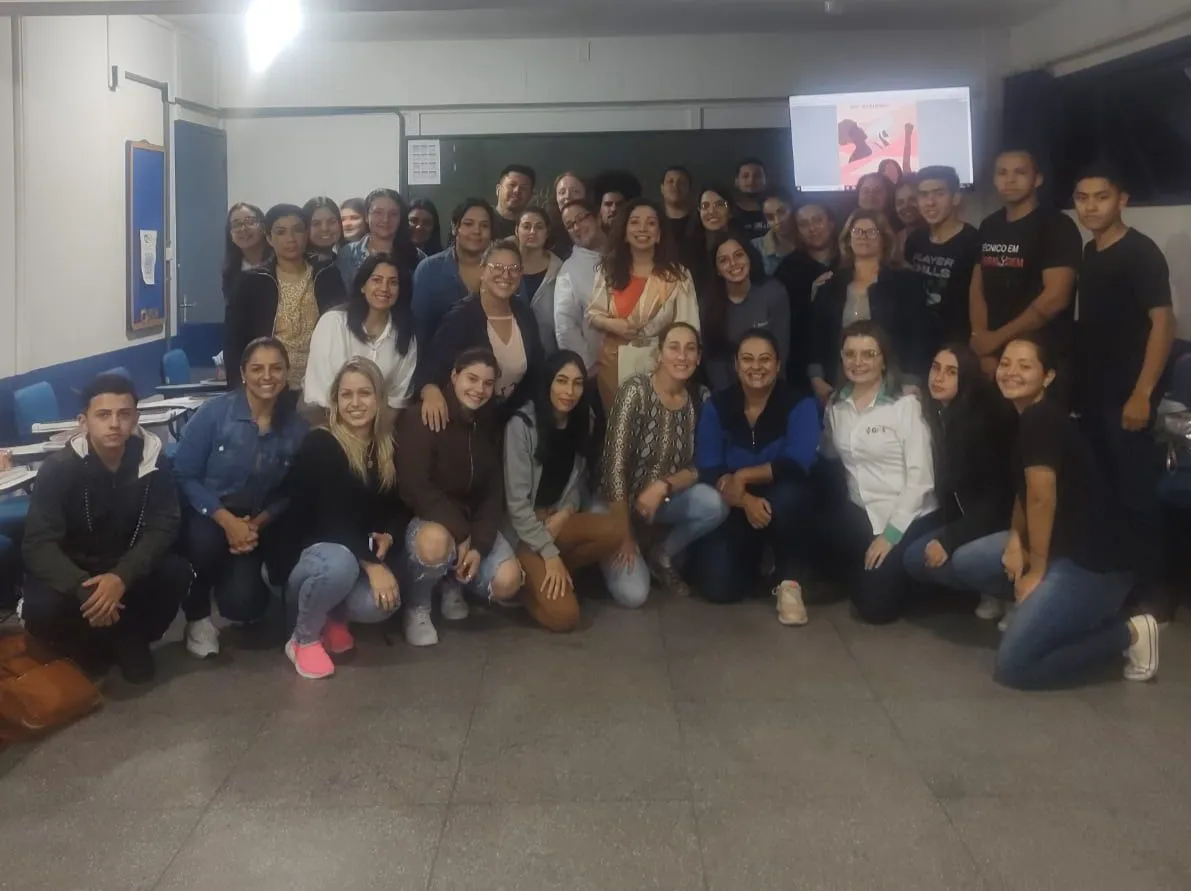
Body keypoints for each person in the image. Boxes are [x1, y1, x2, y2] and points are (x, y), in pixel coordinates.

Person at [952, 335, 1158, 688]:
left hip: (1094, 562)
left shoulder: (1042, 420)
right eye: (1005, 364)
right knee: (966, 561)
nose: (1011, 372)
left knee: (1014, 667)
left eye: (1025, 366)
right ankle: (1050, 611)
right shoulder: (1026, 416)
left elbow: (1042, 499)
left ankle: (1131, 633)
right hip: (1063, 544)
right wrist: (1018, 540)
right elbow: (1025, 492)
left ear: (1047, 377)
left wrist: (1037, 570)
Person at [20, 374, 188, 683]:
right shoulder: (59, 469)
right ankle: (82, 643)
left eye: (123, 414)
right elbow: (38, 544)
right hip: (75, 571)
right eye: (103, 415)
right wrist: (84, 588)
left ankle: (129, 636)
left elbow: (164, 525)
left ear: (136, 418)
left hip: (126, 568)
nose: (114, 424)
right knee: (40, 605)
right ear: (83, 421)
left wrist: (121, 577)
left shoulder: (153, 460)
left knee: (175, 572)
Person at [1072, 165, 1176, 621]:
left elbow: (1163, 323)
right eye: (1082, 198)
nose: (1090, 206)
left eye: (1101, 197)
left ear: (1122, 200)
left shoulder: (1141, 252)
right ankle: (1118, 583)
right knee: (1106, 493)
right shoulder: (1089, 252)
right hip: (1093, 395)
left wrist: (1143, 393)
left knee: (1138, 495)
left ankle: (1157, 594)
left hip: (1129, 396)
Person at [275, 358, 409, 678]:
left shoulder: (386, 448)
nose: (355, 403)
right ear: (335, 401)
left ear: (378, 399)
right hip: (305, 558)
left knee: (380, 604)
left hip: (350, 553)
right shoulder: (321, 444)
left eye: (364, 393)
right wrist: (373, 566)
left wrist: (390, 534)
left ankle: (334, 616)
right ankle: (303, 639)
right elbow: (329, 520)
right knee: (341, 563)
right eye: (346, 395)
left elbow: (400, 505)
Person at [174, 338, 308, 658]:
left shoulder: (296, 429)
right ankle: (197, 616)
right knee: (204, 545)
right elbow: (183, 474)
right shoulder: (214, 415)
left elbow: (291, 490)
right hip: (208, 511)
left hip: (255, 521)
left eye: (276, 368)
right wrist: (225, 520)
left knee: (243, 605)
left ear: (287, 373)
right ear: (243, 373)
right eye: (257, 368)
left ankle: (237, 584)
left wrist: (255, 525)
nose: (267, 376)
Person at [397, 349, 522, 645]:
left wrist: (478, 546)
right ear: (454, 377)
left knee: (508, 580)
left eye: (488, 383)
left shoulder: (489, 423)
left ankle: (452, 583)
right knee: (435, 544)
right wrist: (462, 534)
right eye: (472, 378)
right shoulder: (422, 416)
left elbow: (493, 493)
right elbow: (415, 487)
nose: (479, 389)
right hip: (429, 519)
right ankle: (418, 606)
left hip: (471, 521)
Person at [693, 329, 819, 618]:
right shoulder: (717, 406)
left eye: (765, 359)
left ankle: (790, 579)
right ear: (736, 365)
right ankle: (759, 560)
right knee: (719, 589)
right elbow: (710, 467)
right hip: (735, 504)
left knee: (789, 496)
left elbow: (797, 461)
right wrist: (745, 499)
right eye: (747, 359)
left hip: (785, 500)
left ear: (777, 364)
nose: (756, 367)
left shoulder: (800, 404)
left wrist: (744, 476)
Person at [821, 322, 938, 625]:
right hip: (861, 510)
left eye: (868, 354)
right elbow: (830, 455)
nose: (858, 363)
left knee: (874, 610)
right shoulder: (836, 406)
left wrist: (890, 535)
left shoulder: (905, 405)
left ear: (883, 359)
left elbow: (921, 478)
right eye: (850, 354)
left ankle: (918, 584)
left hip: (906, 515)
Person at [504, 351, 629, 632]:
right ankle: (526, 585)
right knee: (565, 617)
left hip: (557, 520)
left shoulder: (584, 419)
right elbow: (516, 507)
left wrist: (566, 512)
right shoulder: (521, 426)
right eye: (561, 381)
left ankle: (555, 576)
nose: (569, 391)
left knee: (615, 529)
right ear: (548, 381)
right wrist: (549, 553)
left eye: (577, 383)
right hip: (525, 530)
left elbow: (577, 484)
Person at [603, 322, 727, 599]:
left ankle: (662, 553)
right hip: (619, 503)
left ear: (698, 357)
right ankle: (628, 541)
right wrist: (623, 535)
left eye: (690, 349)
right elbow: (613, 468)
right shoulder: (635, 392)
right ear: (659, 354)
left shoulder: (700, 398)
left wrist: (663, 486)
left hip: (663, 500)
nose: (681, 356)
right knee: (634, 595)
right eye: (674, 347)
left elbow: (705, 464)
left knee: (715, 504)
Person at [901, 344, 1015, 620]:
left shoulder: (984, 421)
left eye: (951, 372)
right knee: (914, 558)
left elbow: (997, 504)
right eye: (935, 368)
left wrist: (950, 539)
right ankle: (990, 587)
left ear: (967, 379)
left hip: (1004, 524)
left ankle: (1013, 594)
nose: (938, 378)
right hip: (965, 519)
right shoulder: (935, 412)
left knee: (962, 560)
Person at [970, 149, 1082, 377]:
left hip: (1041, 358)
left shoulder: (1057, 226)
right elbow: (977, 287)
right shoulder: (989, 225)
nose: (1009, 179)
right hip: (992, 356)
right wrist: (981, 343)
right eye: (1002, 173)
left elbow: (1056, 298)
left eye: (1019, 172)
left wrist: (996, 340)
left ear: (1037, 179)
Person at [416, 238, 544, 429]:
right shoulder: (460, 317)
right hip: (466, 423)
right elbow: (433, 367)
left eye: (514, 269)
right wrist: (430, 389)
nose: (506, 275)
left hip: (511, 421)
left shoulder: (524, 313)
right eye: (498, 267)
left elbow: (536, 369)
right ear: (482, 270)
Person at [807, 209, 930, 404]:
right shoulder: (831, 284)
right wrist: (816, 377)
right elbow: (816, 335)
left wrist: (913, 380)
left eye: (872, 232)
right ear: (848, 240)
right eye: (857, 232)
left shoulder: (906, 282)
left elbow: (920, 334)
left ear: (884, 239)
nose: (864, 237)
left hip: (894, 386)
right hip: (839, 386)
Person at [587, 198, 699, 410]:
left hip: (660, 370)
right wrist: (614, 325)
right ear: (625, 232)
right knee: (620, 437)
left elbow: (689, 329)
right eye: (635, 222)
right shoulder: (607, 270)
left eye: (651, 223)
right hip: (613, 367)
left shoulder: (678, 276)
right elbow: (593, 313)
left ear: (659, 234)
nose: (642, 228)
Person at [225, 203, 346, 390]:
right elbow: (234, 341)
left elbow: (342, 329)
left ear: (306, 234)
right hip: (269, 383)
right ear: (269, 238)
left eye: (297, 230)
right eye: (281, 232)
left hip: (322, 383)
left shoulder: (327, 273)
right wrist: (238, 390)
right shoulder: (252, 281)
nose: (290, 239)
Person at [305, 253, 418, 419]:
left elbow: (397, 400)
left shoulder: (405, 336)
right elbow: (321, 395)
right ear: (362, 286)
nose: (384, 288)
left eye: (393, 282)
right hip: (327, 422)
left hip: (379, 428)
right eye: (377, 280)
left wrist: (375, 439)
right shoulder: (332, 323)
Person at [702, 233, 791, 393]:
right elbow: (713, 358)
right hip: (728, 391)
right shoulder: (709, 303)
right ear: (717, 270)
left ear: (749, 257)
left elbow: (781, 350)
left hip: (771, 386)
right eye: (724, 260)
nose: (733, 264)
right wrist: (730, 397)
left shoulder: (773, 292)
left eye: (739, 255)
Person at [905, 166, 981, 344]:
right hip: (918, 343)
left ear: (955, 198)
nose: (930, 202)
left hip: (957, 345)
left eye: (939, 194)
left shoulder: (973, 241)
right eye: (923, 195)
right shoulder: (915, 240)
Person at [411, 198, 494, 348]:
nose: (477, 231)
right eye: (468, 224)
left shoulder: (502, 269)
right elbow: (418, 330)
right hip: (440, 364)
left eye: (484, 226)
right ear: (455, 227)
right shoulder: (429, 269)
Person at [774, 202, 839, 386]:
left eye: (817, 220)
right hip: (802, 371)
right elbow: (785, 325)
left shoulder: (849, 260)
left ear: (831, 223)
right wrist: (812, 299)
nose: (812, 228)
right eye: (803, 224)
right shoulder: (787, 269)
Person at [554, 198, 608, 372]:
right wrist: (587, 368)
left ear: (598, 218)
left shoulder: (628, 254)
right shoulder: (569, 270)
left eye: (581, 218)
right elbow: (565, 327)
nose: (576, 227)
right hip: (599, 370)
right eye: (570, 225)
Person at [337, 188, 421, 290]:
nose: (385, 219)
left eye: (393, 214)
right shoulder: (348, 254)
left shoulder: (417, 256)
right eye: (378, 212)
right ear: (366, 217)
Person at [515, 206, 563, 354]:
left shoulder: (560, 271)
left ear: (547, 232)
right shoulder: (504, 266)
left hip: (548, 355)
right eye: (526, 226)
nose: (532, 232)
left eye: (539, 227)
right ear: (517, 230)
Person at [222, 202, 267, 302]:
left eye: (250, 222)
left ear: (263, 227)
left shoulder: (281, 263)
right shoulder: (230, 272)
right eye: (236, 224)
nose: (243, 229)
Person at [752, 188, 799, 276]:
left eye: (782, 212)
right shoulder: (755, 248)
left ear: (794, 209)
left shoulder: (810, 241)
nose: (777, 221)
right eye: (770, 217)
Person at [492, 164, 536, 239]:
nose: (517, 191)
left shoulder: (533, 230)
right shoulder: (483, 219)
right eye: (512, 185)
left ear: (530, 196)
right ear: (498, 190)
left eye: (523, 188)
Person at [550, 171, 587, 259]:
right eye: (562, 192)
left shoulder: (596, 228)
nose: (567, 196)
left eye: (575, 191)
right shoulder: (548, 230)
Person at [732, 158, 769, 238]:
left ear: (766, 180)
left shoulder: (778, 210)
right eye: (745, 176)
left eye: (757, 176)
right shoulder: (729, 213)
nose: (751, 180)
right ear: (737, 182)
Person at [302, 196, 343, 263]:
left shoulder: (345, 260)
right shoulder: (300, 265)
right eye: (316, 223)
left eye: (331, 222)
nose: (325, 228)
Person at [660, 165, 693, 244]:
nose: (675, 186)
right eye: (670, 181)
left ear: (689, 188)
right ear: (662, 188)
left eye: (681, 182)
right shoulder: (653, 225)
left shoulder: (700, 225)